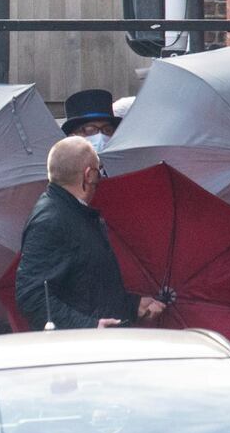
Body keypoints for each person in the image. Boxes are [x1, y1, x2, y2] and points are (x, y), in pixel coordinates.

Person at [15, 136, 166, 330]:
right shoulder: (50, 220)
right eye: (98, 171)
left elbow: (87, 288)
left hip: (98, 342)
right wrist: (89, 327)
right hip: (84, 349)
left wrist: (132, 305)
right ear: (88, 174)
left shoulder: (74, 213)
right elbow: (31, 294)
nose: (100, 178)